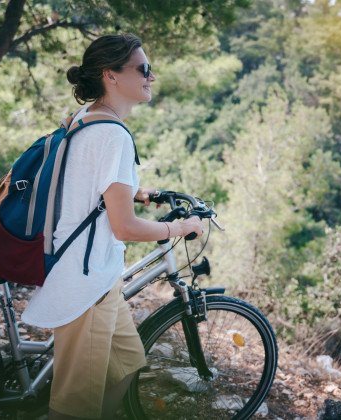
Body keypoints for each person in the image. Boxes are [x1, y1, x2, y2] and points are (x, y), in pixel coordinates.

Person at [20, 34, 204, 420]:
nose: (152, 77)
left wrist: (137, 191)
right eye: (144, 69)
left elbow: (85, 179)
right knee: (74, 407)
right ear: (111, 75)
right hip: (85, 283)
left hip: (96, 279)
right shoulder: (114, 136)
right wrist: (181, 228)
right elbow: (125, 228)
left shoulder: (87, 118)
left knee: (126, 365)